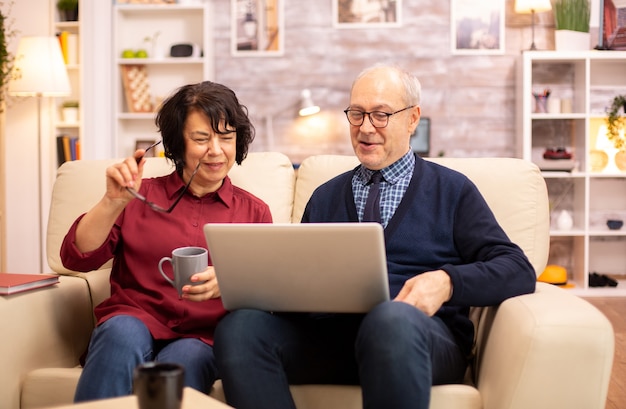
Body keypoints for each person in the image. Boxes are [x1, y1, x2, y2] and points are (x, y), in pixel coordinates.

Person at [213, 64, 537, 409]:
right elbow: (298, 288)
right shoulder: (324, 196)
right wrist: (260, 284)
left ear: (412, 118)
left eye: (381, 115)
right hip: (333, 340)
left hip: (416, 339)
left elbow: (518, 269)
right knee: (240, 328)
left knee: (389, 319)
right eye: (357, 114)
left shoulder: (452, 191)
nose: (366, 128)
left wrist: (447, 282)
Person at [60, 81, 272, 402]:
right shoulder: (137, 195)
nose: (216, 150)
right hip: (134, 320)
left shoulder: (255, 211)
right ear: (176, 143)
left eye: (226, 138)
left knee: (185, 360)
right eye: (201, 138)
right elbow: (76, 259)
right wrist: (111, 202)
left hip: (203, 338)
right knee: (119, 334)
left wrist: (231, 282)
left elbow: (266, 293)